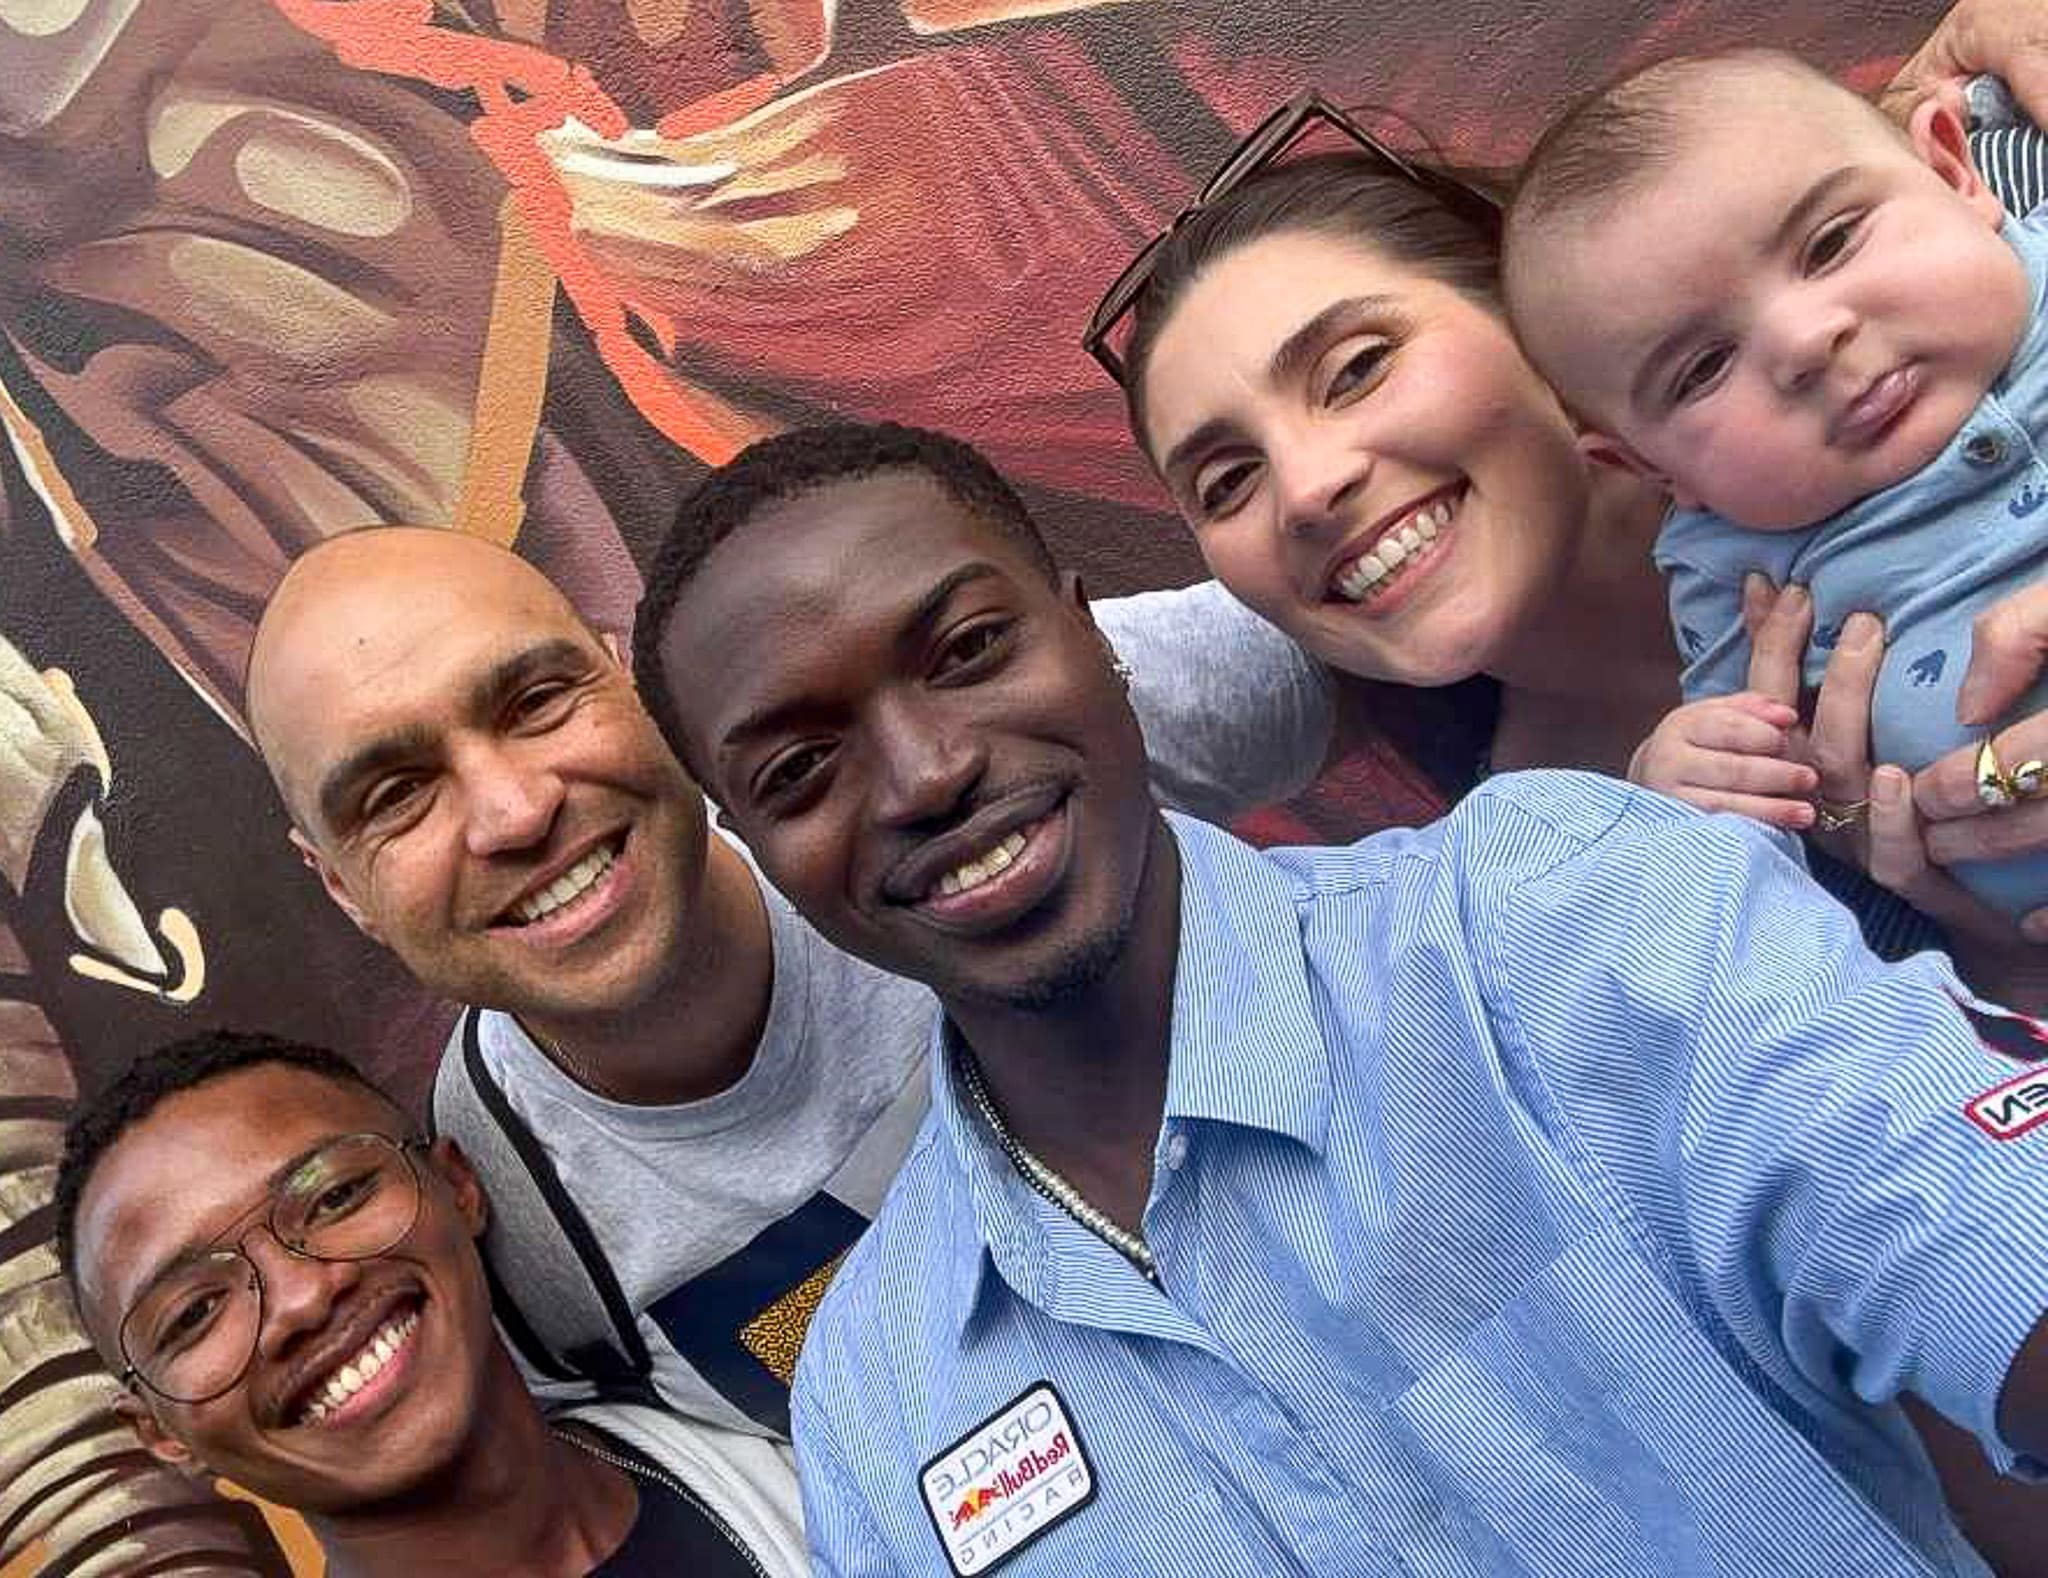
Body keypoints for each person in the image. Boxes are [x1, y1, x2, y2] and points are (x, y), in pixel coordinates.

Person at [637, 418, 2048, 1578]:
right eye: (800, 768)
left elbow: (1981, 1236)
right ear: (760, 850)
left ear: (1093, 638)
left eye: (967, 651)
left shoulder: (1553, 921)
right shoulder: (880, 1400)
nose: (925, 771)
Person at [241, 500, 1331, 1439]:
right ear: (338, 886)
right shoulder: (496, 1240)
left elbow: (1386, 643)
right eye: (396, 796)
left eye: (534, 702)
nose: (516, 811)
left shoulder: (975, 761)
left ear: (626, 683)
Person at [1500, 48, 2048, 923]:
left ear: (1952, 167)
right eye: (1704, 368)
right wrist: (1684, 781)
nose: (1803, 342)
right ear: (1653, 471)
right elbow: (1746, 806)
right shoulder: (1738, 577)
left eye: (1831, 242)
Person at [50, 1029, 808, 1577]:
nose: (305, 1298)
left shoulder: (809, 1458)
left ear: (458, 1187)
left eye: (336, 1196)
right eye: (194, 1314)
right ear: (159, 1432)